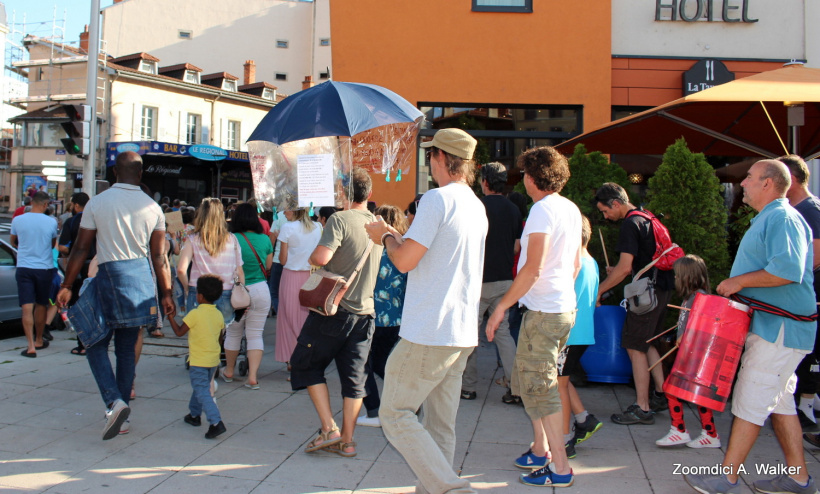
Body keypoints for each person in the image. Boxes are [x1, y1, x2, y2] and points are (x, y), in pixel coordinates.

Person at [684, 159, 817, 494]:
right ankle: (799, 478)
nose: (743, 182)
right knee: (781, 403)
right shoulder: (774, 217)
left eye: (749, 177)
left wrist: (737, 282)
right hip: (779, 328)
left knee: (749, 401)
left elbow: (787, 270)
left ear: (768, 183)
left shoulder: (782, 217)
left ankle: (726, 478)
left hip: (780, 330)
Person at [365, 128, 487, 493]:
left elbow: (403, 261)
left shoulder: (437, 199)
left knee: (394, 413)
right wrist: (394, 238)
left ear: (439, 158)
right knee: (440, 426)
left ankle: (452, 488)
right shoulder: (474, 205)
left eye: (429, 156)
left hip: (430, 329)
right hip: (460, 330)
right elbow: (427, 257)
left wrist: (384, 237)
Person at [56, 151, 174, 440]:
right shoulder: (153, 207)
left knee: (92, 341)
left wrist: (67, 284)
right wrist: (167, 293)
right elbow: (160, 256)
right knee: (125, 348)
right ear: (141, 174)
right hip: (141, 279)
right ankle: (121, 417)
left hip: (109, 275)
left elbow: (81, 249)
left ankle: (114, 401)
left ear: (114, 174)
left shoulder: (97, 202)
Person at [485, 145, 582, 488]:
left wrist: (501, 306)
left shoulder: (542, 211)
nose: (522, 180)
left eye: (524, 174)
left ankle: (560, 467)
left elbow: (532, 267)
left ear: (531, 177)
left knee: (541, 390)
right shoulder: (569, 208)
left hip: (544, 312)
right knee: (534, 385)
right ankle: (540, 449)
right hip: (558, 308)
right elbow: (575, 263)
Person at [290, 167, 382, 459]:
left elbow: (321, 257)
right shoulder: (379, 224)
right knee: (354, 378)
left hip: (334, 310)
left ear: (343, 193)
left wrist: (315, 256)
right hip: (365, 313)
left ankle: (330, 428)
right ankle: (349, 441)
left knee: (305, 362)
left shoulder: (340, 219)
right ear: (369, 195)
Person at [594, 182, 672, 425]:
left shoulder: (630, 223)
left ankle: (642, 406)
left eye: (606, 211)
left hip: (646, 295)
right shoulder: (646, 216)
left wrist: (599, 291)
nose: (606, 217)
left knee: (634, 346)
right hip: (662, 288)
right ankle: (660, 394)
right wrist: (616, 271)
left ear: (616, 203)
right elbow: (633, 264)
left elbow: (626, 268)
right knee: (647, 342)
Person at [461, 161, 522, 402]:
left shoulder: (475, 206)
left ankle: (468, 387)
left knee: (470, 335)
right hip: (504, 281)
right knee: (503, 333)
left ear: (484, 182)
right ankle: (516, 387)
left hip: (477, 280)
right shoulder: (513, 209)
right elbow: (517, 246)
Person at [654, 255, 720, 449]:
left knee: (673, 389)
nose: (675, 279)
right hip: (691, 354)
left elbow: (699, 328)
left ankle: (682, 430)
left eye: (677, 276)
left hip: (694, 355)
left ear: (686, 277)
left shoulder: (698, 298)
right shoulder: (692, 297)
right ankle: (706, 433)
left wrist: (683, 338)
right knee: (690, 393)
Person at [357, 204, 408, 428]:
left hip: (374, 314)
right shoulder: (404, 249)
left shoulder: (376, 250)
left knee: (363, 364)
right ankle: (404, 400)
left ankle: (376, 410)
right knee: (384, 362)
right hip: (397, 317)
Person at [780, 154, 820, 434]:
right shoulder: (802, 208)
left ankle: (806, 405)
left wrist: (786, 275)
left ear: (790, 179)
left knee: (810, 354)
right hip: (805, 293)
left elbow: (816, 254)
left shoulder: (809, 209)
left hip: (811, 294)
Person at [560, 215, 602, 459]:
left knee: (558, 386)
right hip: (583, 333)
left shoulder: (573, 264)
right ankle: (584, 419)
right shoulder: (592, 262)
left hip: (570, 333)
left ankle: (565, 440)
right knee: (561, 380)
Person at [167, 274, 227, 439]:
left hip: (198, 360)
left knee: (202, 390)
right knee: (200, 386)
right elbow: (220, 338)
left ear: (200, 296)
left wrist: (170, 318)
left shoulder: (195, 314)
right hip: (213, 359)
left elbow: (179, 332)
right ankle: (194, 415)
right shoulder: (219, 315)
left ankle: (216, 422)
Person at [223, 203, 273, 388]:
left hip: (236, 291)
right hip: (260, 290)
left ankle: (228, 371)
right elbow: (268, 267)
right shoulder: (265, 240)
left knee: (233, 333)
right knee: (255, 334)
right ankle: (252, 377)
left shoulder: (230, 238)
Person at [177, 198, 244, 326]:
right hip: (225, 292)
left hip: (198, 292)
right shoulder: (232, 239)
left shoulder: (193, 239)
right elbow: (239, 271)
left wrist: (187, 289)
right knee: (220, 335)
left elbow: (181, 270)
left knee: (199, 335)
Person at [11, 191, 58, 357]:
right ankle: (39, 339)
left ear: (31, 202)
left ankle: (30, 346)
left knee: (26, 308)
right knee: (41, 305)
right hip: (44, 268)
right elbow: (53, 244)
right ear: (45, 205)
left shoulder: (18, 220)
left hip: (24, 267)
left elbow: (13, 241)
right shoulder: (51, 222)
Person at [275, 207, 322, 373]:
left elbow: (282, 260)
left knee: (289, 319)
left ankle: (294, 360)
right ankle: (306, 358)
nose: (284, 211)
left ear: (295, 210)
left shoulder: (288, 227)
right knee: (307, 319)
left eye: (287, 208)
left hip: (291, 275)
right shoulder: (318, 227)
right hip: (311, 276)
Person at [57, 192, 95, 356]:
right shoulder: (97, 219)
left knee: (78, 305)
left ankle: (82, 343)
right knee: (94, 304)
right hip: (96, 266)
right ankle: (95, 340)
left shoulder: (71, 221)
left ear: (76, 205)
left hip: (78, 268)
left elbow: (63, 247)